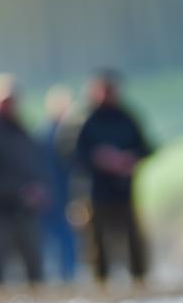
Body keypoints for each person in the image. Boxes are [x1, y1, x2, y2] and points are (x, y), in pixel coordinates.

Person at [73, 69, 154, 284]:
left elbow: (147, 147)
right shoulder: (83, 120)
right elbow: (70, 154)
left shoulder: (127, 117)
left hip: (125, 190)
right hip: (94, 192)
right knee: (97, 241)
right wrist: (99, 159)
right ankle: (101, 282)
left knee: (133, 238)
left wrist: (130, 159)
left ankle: (140, 280)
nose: (108, 94)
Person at [0, 73, 46, 286]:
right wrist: (18, 190)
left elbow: (36, 165)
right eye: (4, 101)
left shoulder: (23, 130)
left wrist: (38, 189)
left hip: (26, 208)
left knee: (34, 262)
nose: (9, 105)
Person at [39, 85, 80, 282]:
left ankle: (68, 275)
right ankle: (61, 277)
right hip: (52, 197)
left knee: (67, 240)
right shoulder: (46, 135)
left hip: (65, 196)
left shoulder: (69, 134)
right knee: (58, 240)